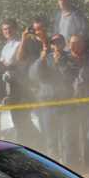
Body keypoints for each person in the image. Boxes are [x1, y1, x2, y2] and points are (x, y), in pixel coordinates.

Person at [29, 33, 75, 163]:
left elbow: (70, 76)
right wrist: (41, 59)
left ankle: (68, 165)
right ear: (51, 45)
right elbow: (34, 76)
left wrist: (60, 63)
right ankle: (53, 166)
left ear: (64, 44)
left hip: (64, 103)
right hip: (47, 104)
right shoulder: (45, 58)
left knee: (66, 138)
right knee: (50, 139)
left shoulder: (70, 58)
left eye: (59, 42)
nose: (56, 45)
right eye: (54, 43)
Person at [0, 20, 39, 146]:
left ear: (15, 29)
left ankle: (35, 143)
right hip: (11, 87)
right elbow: (3, 64)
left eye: (9, 28)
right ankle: (28, 143)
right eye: (5, 29)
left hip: (22, 86)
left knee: (24, 119)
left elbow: (18, 60)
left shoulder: (21, 43)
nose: (7, 31)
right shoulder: (5, 47)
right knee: (17, 120)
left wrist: (8, 65)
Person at [64, 34, 89, 169]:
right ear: (68, 44)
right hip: (70, 103)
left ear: (83, 45)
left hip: (87, 102)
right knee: (70, 134)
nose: (75, 46)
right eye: (73, 43)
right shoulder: (64, 60)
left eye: (78, 43)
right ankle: (71, 164)